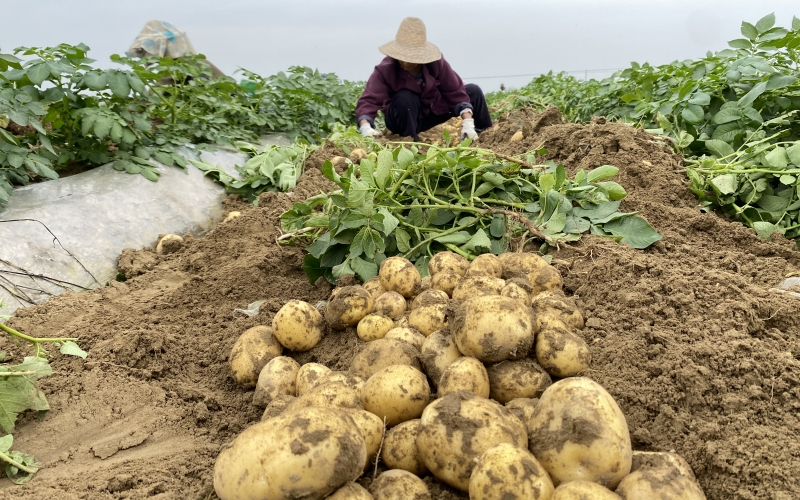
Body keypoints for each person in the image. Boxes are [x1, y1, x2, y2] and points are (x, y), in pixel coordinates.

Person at [356, 17, 492, 142]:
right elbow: (368, 101)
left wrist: (467, 123)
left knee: (473, 90)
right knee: (405, 97)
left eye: (410, 57)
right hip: (402, 118)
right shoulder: (386, 69)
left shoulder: (435, 63)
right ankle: (411, 143)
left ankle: (483, 134)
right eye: (402, 57)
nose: (405, 62)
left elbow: (455, 92)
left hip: (432, 110)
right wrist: (365, 127)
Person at [126, 20, 225, 80]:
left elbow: (156, 95)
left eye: (147, 48)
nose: (146, 54)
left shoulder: (177, 65)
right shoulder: (190, 60)